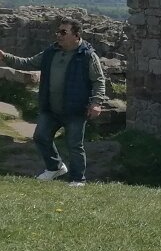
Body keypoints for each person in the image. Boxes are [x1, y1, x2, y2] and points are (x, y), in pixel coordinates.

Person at [0, 17, 109, 186]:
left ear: (76, 35)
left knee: (74, 145)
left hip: (75, 109)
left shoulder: (88, 56)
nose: (59, 35)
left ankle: (78, 179)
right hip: (50, 108)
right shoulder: (51, 52)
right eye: (58, 31)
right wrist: (5, 57)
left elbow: (98, 81)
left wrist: (96, 102)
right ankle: (55, 167)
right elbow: (28, 63)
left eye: (63, 32)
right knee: (40, 137)